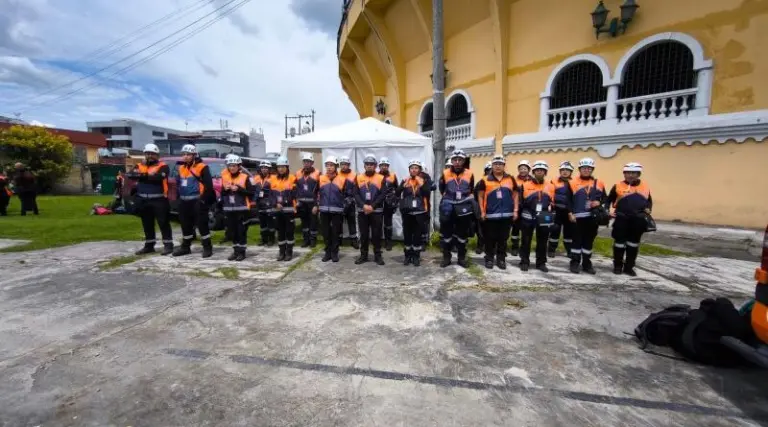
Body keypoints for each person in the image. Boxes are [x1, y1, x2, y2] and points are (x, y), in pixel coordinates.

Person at [605, 162, 652, 276]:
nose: (631, 175)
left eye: (634, 173)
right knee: (619, 243)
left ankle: (629, 267)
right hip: (622, 218)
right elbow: (608, 200)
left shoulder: (645, 186)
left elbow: (649, 201)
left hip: (637, 220)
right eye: (628, 173)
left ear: (638, 174)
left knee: (633, 244)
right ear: (624, 174)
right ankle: (617, 266)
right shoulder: (617, 186)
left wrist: (648, 209)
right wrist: (607, 212)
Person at [127, 144, 174, 255]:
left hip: (159, 199)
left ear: (157, 155)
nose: (150, 156)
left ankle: (168, 245)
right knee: (147, 223)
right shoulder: (139, 165)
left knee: (163, 223)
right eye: (147, 153)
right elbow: (130, 175)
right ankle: (149, 245)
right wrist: (147, 175)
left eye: (152, 154)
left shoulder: (163, 166)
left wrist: (142, 176)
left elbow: (159, 177)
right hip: (143, 199)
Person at [173, 144, 216, 258]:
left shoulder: (202, 167)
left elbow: (208, 186)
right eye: (184, 154)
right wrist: (178, 199)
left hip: (197, 200)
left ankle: (207, 247)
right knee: (185, 225)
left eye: (188, 154)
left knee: (202, 225)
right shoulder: (181, 168)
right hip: (184, 201)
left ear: (194, 155)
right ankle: (185, 247)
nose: (186, 156)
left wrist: (202, 201)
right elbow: (178, 184)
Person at [475, 155, 518, 270]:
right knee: (490, 238)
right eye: (495, 164)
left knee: (503, 239)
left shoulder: (511, 179)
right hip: (490, 215)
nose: (498, 166)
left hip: (507, 215)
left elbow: (515, 195)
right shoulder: (485, 180)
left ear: (504, 166)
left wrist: (515, 210)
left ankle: (501, 259)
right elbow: (480, 196)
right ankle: (489, 258)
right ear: (492, 166)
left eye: (500, 164)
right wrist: (482, 211)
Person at [566, 157, 606, 275]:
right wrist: (569, 213)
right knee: (576, 241)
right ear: (580, 169)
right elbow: (568, 200)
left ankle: (587, 263)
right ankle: (574, 262)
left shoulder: (599, 183)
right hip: (577, 217)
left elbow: (605, 197)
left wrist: (599, 202)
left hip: (593, 217)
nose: (586, 170)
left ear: (592, 169)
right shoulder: (572, 182)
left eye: (589, 168)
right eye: (584, 168)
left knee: (589, 241)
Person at [438, 149, 475, 268]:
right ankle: (446, 257)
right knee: (446, 234)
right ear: (452, 161)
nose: (457, 162)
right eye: (455, 160)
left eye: (460, 160)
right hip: (448, 206)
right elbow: (442, 189)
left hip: (463, 206)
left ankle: (461, 258)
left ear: (464, 161)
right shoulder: (445, 173)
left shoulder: (470, 173)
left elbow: (471, 188)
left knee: (462, 235)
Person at [518, 160, 555, 272]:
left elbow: (553, 202)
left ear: (545, 172)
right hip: (528, 215)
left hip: (544, 215)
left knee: (543, 241)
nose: (539, 172)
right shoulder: (525, 185)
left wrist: (551, 210)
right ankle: (524, 261)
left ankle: (541, 263)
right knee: (526, 240)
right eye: (537, 170)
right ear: (533, 172)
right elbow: (520, 202)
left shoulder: (551, 186)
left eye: (542, 170)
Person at [317, 156, 353, 262]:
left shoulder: (342, 179)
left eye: (331, 165)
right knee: (326, 232)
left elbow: (349, 196)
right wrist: (316, 204)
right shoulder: (321, 179)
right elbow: (315, 193)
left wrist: (344, 206)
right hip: (324, 210)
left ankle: (334, 253)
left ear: (336, 167)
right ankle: (327, 252)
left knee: (335, 232)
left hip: (337, 211)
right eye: (327, 165)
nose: (329, 167)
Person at [353, 155, 387, 265]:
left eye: (371, 165)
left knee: (377, 234)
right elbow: (356, 194)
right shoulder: (358, 177)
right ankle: (363, 255)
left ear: (375, 166)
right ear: (364, 166)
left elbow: (383, 194)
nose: (369, 166)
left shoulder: (381, 178)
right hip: (363, 211)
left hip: (376, 211)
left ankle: (378, 255)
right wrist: (363, 205)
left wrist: (372, 206)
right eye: (367, 164)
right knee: (364, 234)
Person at [398, 159, 432, 266]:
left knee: (417, 235)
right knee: (407, 235)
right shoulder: (405, 180)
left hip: (419, 213)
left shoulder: (425, 181)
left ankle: (416, 256)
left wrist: (421, 183)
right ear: (409, 170)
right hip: (407, 213)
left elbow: (427, 193)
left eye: (416, 168)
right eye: (412, 168)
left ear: (419, 170)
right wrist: (402, 186)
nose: (414, 170)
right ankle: (408, 256)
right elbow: (397, 192)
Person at [221, 155, 253, 261]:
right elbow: (222, 193)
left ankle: (242, 252)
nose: (232, 168)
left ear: (239, 166)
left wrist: (239, 189)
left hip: (242, 209)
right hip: (229, 209)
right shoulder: (225, 177)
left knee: (241, 231)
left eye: (234, 165)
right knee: (232, 232)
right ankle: (235, 251)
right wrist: (225, 190)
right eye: (230, 166)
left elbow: (251, 193)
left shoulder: (245, 177)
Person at [271, 156, 298, 261]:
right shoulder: (273, 179)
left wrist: (284, 201)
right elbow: (270, 195)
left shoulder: (292, 178)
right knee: (280, 232)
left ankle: (289, 252)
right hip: (277, 211)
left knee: (289, 232)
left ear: (287, 167)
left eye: (283, 167)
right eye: (279, 167)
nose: (281, 169)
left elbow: (295, 193)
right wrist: (275, 203)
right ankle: (281, 252)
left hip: (289, 210)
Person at [548, 161, 574, 258]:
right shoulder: (554, 181)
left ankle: (569, 251)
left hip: (569, 211)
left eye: (567, 170)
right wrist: (550, 203)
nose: (565, 172)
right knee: (555, 230)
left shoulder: (575, 182)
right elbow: (549, 193)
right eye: (563, 170)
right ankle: (551, 250)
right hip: (557, 210)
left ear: (571, 172)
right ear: (560, 171)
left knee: (569, 232)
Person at [295, 153, 320, 248]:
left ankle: (313, 240)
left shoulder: (317, 173)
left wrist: (316, 205)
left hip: (312, 203)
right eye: (305, 161)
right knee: (304, 223)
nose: (306, 163)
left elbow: (320, 191)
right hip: (301, 203)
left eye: (308, 162)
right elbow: (295, 189)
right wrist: (297, 200)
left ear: (312, 162)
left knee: (313, 222)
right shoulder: (298, 173)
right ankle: (306, 240)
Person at [509, 159, 531, 256]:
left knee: (526, 229)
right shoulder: (514, 180)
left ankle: (524, 248)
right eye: (521, 168)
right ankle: (514, 247)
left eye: (525, 168)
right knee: (515, 227)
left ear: (529, 170)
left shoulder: (532, 180)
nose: (523, 170)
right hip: (516, 206)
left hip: (528, 208)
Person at [338, 156, 359, 249]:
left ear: (349, 165)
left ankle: (353, 240)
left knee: (352, 222)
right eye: (342, 164)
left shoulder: (354, 175)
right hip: (339, 202)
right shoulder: (336, 174)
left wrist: (352, 198)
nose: (343, 166)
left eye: (345, 164)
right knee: (338, 222)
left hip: (351, 202)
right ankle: (338, 240)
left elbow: (357, 189)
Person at [251, 161, 275, 246]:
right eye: (262, 168)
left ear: (269, 169)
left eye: (266, 168)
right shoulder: (256, 178)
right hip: (259, 203)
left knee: (270, 223)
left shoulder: (273, 178)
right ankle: (264, 239)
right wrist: (253, 201)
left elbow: (275, 191)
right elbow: (254, 191)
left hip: (269, 203)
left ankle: (271, 240)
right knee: (262, 224)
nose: (264, 169)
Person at [378, 157, 398, 251]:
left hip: (388, 203)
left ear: (388, 166)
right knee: (377, 223)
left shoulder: (393, 176)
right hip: (378, 203)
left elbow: (397, 190)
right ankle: (378, 241)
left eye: (386, 165)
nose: (384, 167)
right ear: (379, 166)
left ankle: (388, 242)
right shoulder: (376, 176)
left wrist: (395, 203)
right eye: (382, 165)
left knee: (388, 224)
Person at [474, 161, 493, 255]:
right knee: (480, 230)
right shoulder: (480, 183)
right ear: (485, 171)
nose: (489, 172)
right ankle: (480, 245)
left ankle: (489, 247)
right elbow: (475, 196)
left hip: (493, 210)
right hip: (481, 209)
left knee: (491, 230)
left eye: (491, 170)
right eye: (488, 170)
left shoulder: (497, 182)